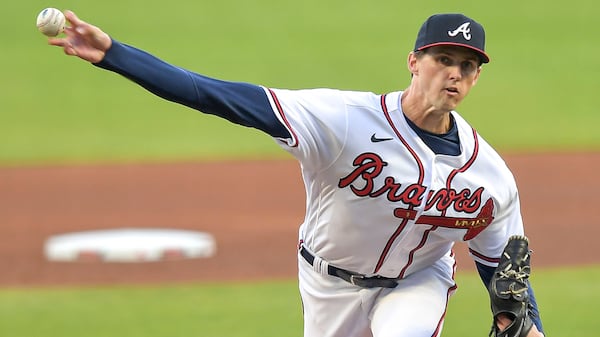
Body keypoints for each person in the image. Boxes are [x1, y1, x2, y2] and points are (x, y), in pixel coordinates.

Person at [48, 10, 546, 337]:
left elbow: (506, 269)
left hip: (417, 280)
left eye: (466, 64)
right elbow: (215, 95)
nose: (453, 73)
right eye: (443, 59)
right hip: (326, 280)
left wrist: (531, 327)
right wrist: (115, 56)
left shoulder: (489, 175)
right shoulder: (343, 119)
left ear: (477, 76)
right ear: (414, 62)